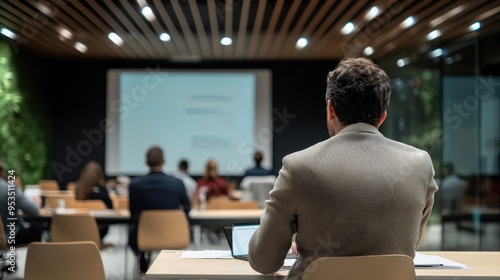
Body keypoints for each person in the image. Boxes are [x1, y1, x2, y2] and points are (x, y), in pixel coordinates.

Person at [248, 58, 438, 280]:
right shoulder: (420, 164)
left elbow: (263, 260)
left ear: (330, 109)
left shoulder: (298, 166)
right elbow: (411, 240)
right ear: (383, 115)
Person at [128, 146, 191, 273]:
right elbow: (188, 208)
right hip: (174, 236)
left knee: (133, 229)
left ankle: (142, 259)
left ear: (146, 162)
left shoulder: (135, 184)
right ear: (164, 161)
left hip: (144, 236)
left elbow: (132, 213)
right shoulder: (177, 183)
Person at [0, 158, 42, 264]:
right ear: (1, 171)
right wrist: (37, 202)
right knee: (37, 230)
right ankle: (39, 270)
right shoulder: (9, 189)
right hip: (9, 236)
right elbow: (34, 211)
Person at [75, 161, 114, 240]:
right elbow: (110, 207)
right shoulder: (102, 190)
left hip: (79, 228)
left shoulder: (78, 189)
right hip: (100, 229)